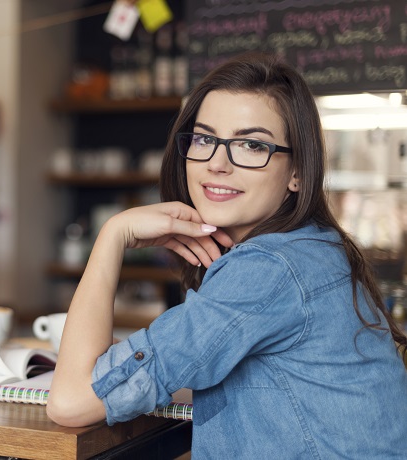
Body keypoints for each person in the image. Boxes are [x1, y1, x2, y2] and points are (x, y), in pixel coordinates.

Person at [47, 52, 407, 458]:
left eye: (252, 144)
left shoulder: (269, 268)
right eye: (204, 139)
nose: (217, 163)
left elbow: (70, 402)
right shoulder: (311, 246)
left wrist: (112, 235)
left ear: (298, 172)